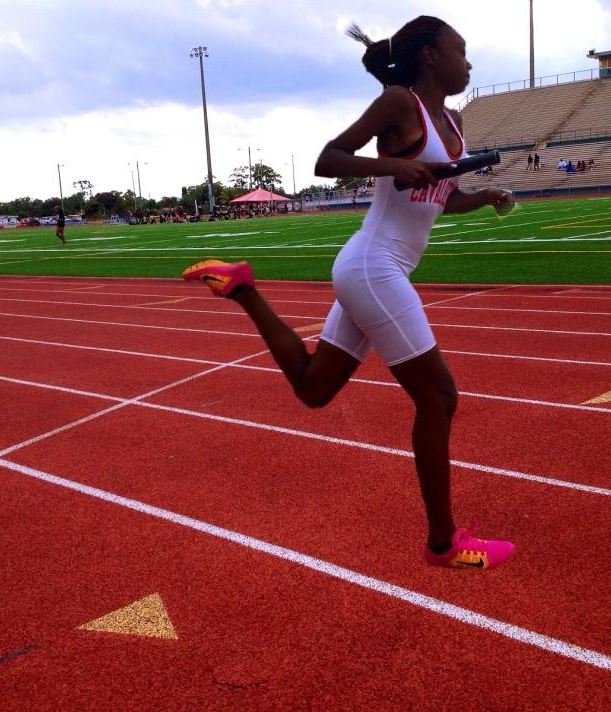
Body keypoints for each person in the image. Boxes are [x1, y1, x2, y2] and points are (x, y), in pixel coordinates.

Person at [182, 15, 514, 570]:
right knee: (438, 397)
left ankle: (242, 289)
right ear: (431, 56)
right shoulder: (398, 103)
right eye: (461, 51)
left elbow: (437, 196)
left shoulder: (453, 124)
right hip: (373, 265)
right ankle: (443, 544)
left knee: (314, 390)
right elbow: (328, 159)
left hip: (379, 270)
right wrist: (392, 165)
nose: (469, 62)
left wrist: (481, 196)